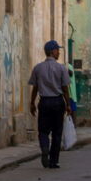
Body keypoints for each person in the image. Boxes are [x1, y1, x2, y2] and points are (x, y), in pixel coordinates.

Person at [28, 40, 72, 169]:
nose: (59, 52)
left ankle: (45, 147)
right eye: (57, 50)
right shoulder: (61, 68)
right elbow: (65, 89)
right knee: (57, 132)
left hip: (44, 102)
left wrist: (32, 103)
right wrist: (68, 104)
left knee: (43, 130)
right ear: (52, 51)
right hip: (58, 102)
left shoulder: (38, 68)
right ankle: (53, 161)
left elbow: (35, 88)